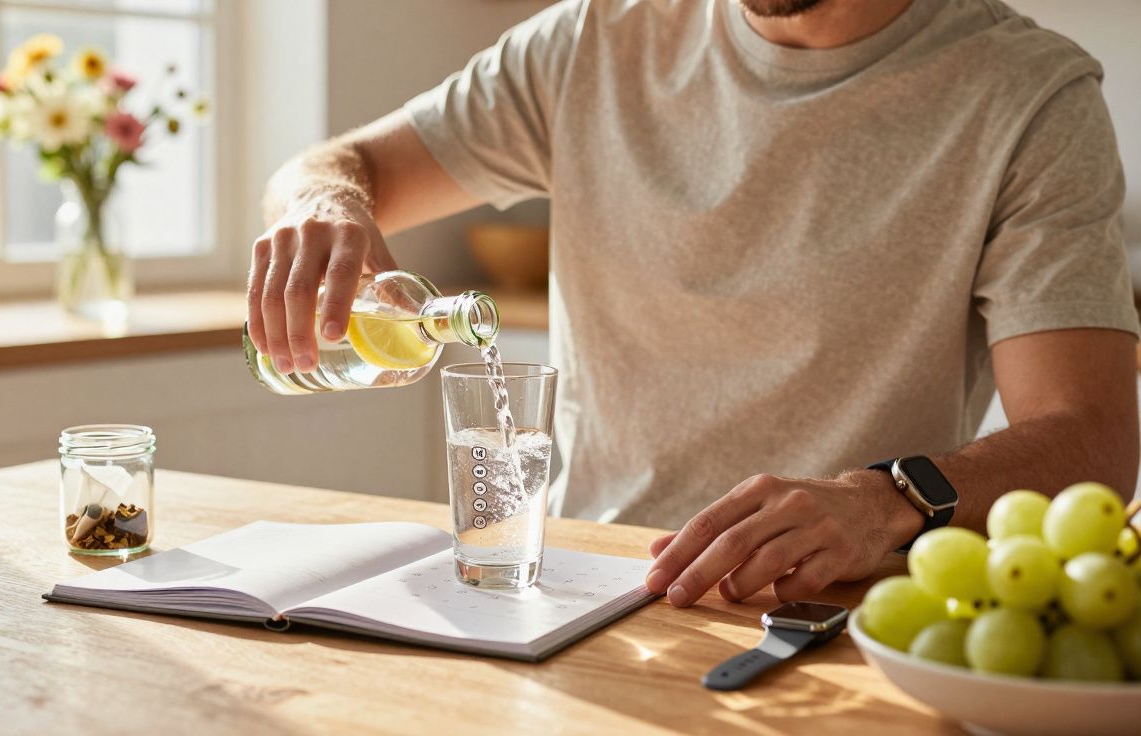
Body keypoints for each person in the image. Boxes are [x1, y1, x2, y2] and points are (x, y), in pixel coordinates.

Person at [245, 0, 1139, 607]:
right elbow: (333, 167)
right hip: (580, 592)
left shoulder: (1030, 96)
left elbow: (1093, 437)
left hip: (828, 613)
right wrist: (327, 208)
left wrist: (883, 500)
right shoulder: (593, 38)